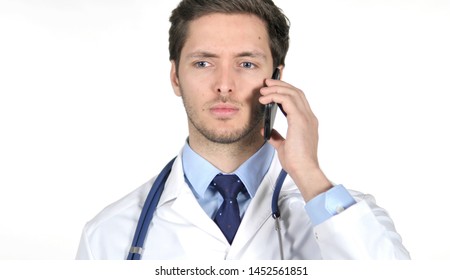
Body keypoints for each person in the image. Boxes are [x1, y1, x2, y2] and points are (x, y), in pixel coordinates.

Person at [76, 0, 410, 260]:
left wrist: (309, 174)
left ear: (276, 78)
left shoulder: (344, 215)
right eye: (203, 63)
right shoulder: (108, 235)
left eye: (246, 63)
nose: (224, 85)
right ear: (176, 77)